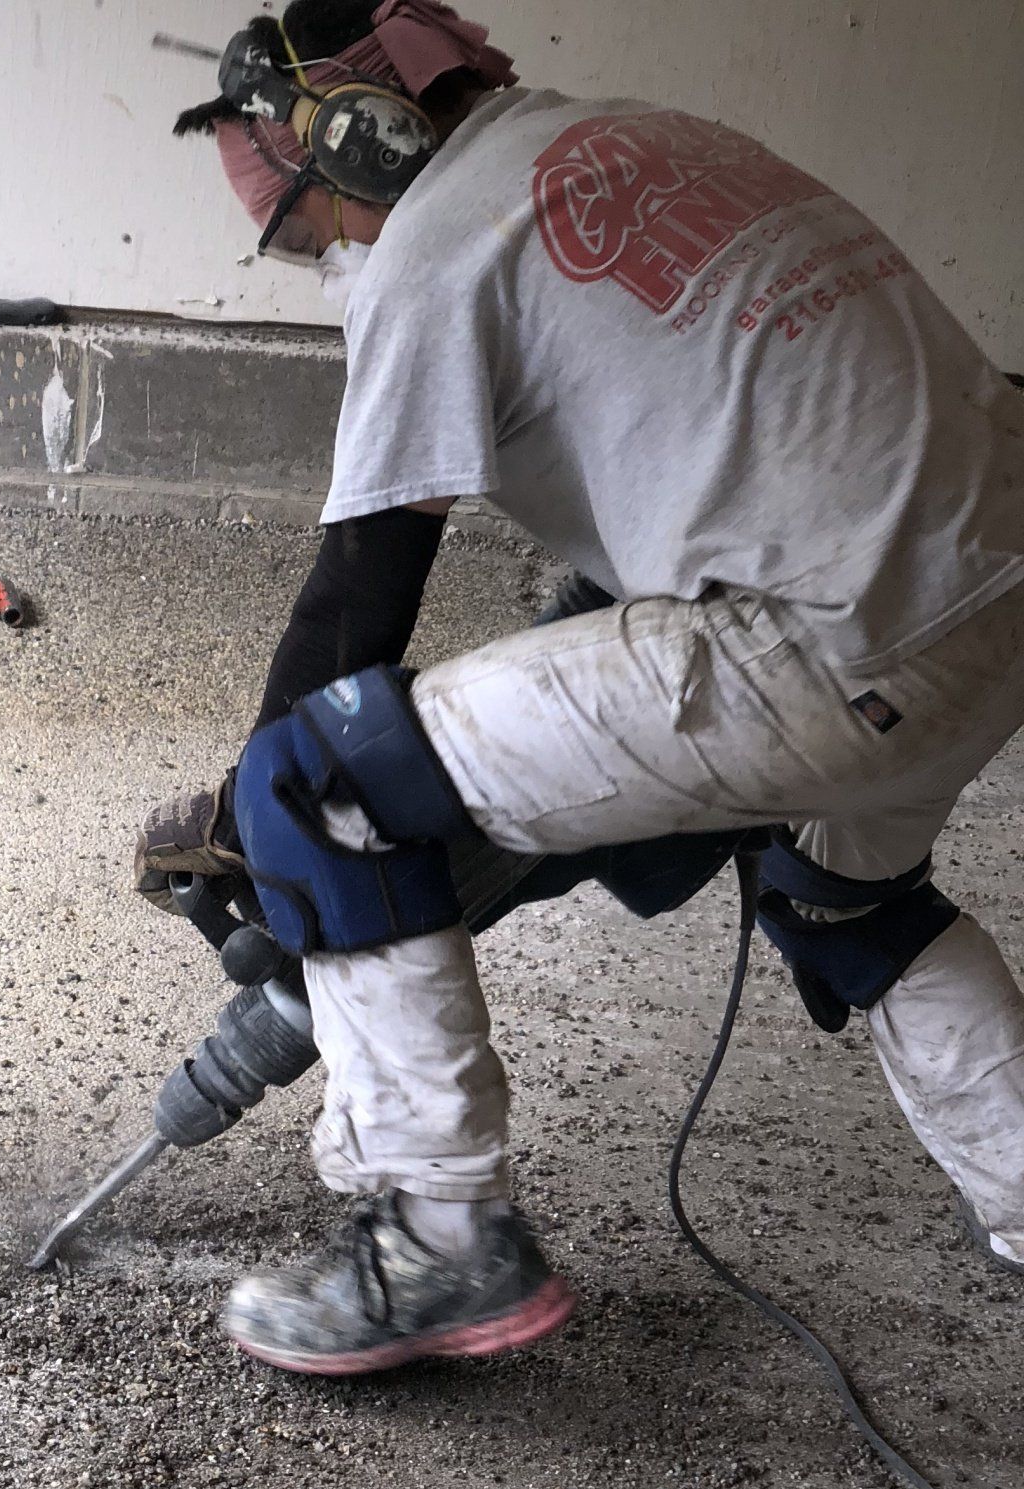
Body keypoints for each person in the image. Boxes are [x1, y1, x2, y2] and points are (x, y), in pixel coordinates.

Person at [138, 0, 1024, 1378]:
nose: (323, 266)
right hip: (988, 585)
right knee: (846, 900)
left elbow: (360, 600)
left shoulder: (435, 246)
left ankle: (438, 1239)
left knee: (321, 774)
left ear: (365, 148)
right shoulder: (630, 141)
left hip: (835, 634)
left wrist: (269, 840)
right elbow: (725, 431)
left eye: (308, 231)